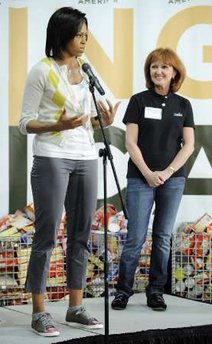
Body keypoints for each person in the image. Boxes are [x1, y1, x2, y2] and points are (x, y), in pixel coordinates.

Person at [19, 7, 119, 337]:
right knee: (47, 235)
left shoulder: (89, 72)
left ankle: (75, 307)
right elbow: (25, 123)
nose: (85, 41)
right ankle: (39, 311)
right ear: (62, 35)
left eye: (87, 35)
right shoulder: (41, 71)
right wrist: (57, 125)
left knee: (80, 234)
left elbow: (91, 120)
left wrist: (102, 121)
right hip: (51, 156)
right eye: (80, 35)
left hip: (86, 156)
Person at [111, 48, 195, 312]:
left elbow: (189, 145)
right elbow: (130, 143)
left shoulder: (183, 105)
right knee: (135, 236)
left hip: (173, 180)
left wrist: (167, 172)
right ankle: (123, 291)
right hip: (140, 178)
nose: (158, 71)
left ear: (174, 72)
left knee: (161, 237)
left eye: (164, 67)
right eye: (153, 67)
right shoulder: (138, 101)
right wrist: (148, 173)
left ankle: (156, 291)